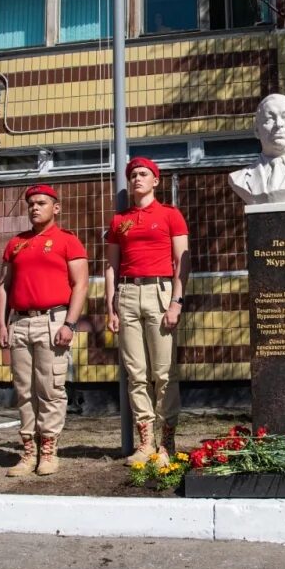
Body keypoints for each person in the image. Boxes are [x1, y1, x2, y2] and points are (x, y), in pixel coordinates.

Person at [0, 184, 89, 477]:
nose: (35, 208)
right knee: (24, 391)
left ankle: (48, 450)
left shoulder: (67, 241)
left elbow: (80, 285)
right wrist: (2, 324)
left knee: (50, 388)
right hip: (20, 324)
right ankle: (28, 452)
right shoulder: (15, 243)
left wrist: (69, 323)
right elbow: (4, 286)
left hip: (53, 322)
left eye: (41, 203)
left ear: (55, 208)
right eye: (31, 204)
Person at [105, 157, 190, 468]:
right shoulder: (119, 221)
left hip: (160, 291)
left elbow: (183, 260)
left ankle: (167, 441)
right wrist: (110, 305)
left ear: (156, 180)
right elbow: (112, 266)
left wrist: (176, 301)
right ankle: (145, 442)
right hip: (127, 294)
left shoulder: (170, 215)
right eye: (133, 174)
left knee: (164, 372)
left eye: (143, 174)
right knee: (136, 373)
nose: (137, 178)